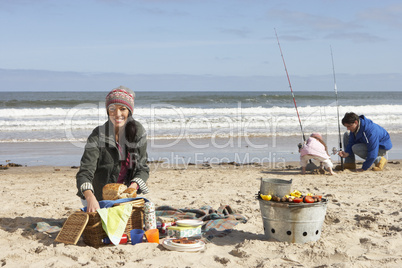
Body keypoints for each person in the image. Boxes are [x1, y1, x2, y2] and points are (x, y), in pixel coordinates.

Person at [76, 86, 150, 212]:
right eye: (112, 109)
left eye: (122, 109)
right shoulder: (98, 135)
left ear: (129, 112)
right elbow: (84, 173)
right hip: (96, 197)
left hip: (124, 197)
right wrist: (90, 198)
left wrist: (132, 188)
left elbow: (142, 168)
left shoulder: (138, 132)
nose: (117, 114)